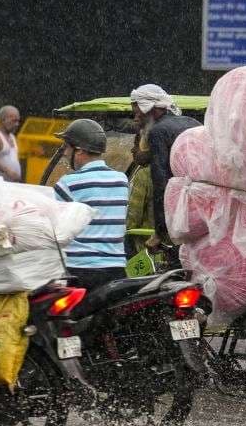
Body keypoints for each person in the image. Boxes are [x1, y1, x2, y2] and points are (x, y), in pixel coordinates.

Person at [52, 118, 130, 290]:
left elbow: (53, 229)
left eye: (66, 147)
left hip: (79, 271)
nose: (64, 153)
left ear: (79, 150)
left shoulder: (68, 183)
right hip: (116, 271)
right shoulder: (121, 180)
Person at [130, 84, 200, 248]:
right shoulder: (192, 122)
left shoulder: (158, 132)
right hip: (201, 209)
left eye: (136, 111)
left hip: (180, 217)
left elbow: (161, 183)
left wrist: (160, 232)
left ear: (150, 108)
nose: (135, 117)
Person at [125, 131, 155, 258]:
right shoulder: (170, 169)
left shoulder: (144, 174)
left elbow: (133, 218)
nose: (132, 150)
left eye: (137, 145)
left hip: (145, 248)